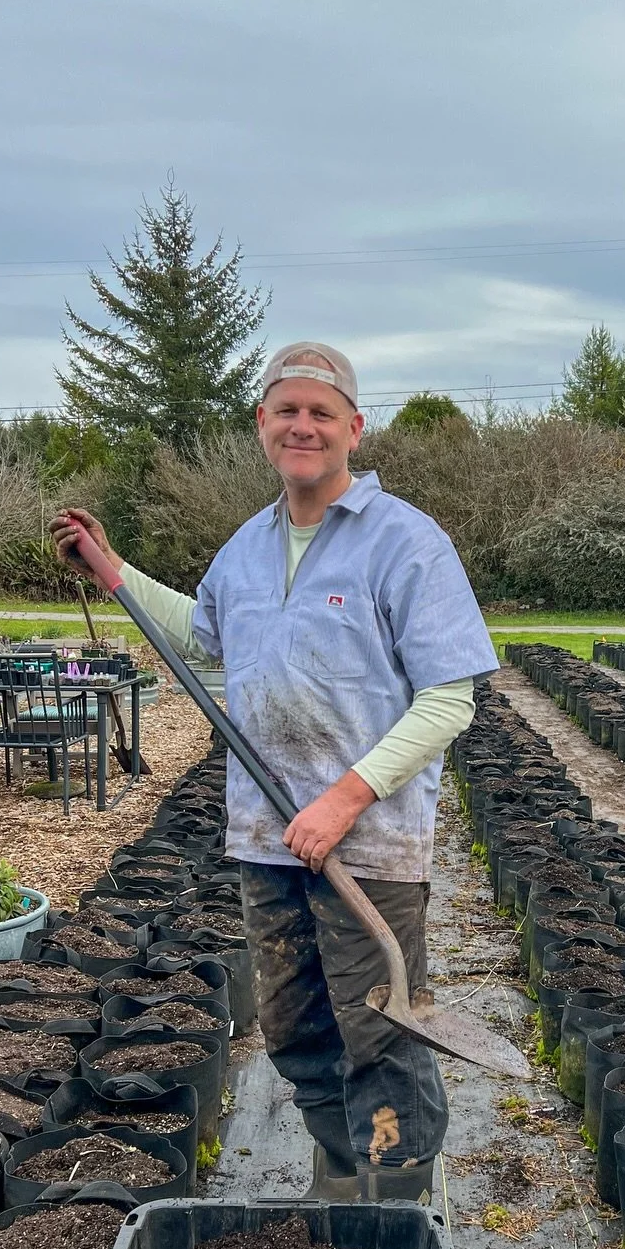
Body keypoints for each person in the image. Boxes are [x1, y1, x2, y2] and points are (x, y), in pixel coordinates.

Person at [50, 342, 498, 1201]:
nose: (303, 425)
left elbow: (450, 701)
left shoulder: (407, 543)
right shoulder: (247, 549)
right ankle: (342, 1180)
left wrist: (344, 799)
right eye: (286, 409)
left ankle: (397, 1197)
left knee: (379, 1031)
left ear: (354, 430)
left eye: (322, 412)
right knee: (295, 1030)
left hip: (368, 842)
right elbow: (205, 633)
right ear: (262, 424)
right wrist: (113, 574)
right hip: (267, 835)